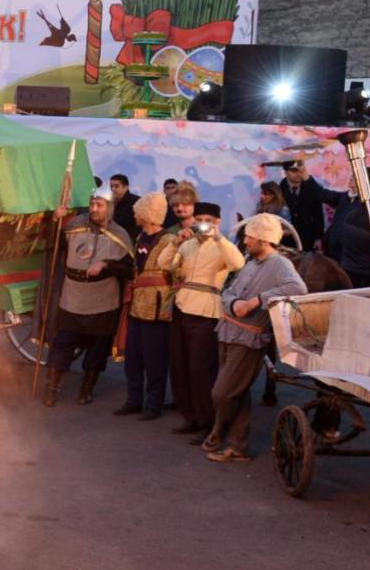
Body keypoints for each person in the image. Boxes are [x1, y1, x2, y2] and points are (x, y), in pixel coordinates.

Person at [203, 213, 307, 462]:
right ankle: (238, 447)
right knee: (238, 391)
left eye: (250, 236)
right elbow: (228, 292)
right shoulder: (250, 262)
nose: (246, 240)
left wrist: (258, 300)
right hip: (228, 331)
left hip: (248, 338)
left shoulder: (280, 264)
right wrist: (236, 302)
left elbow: (298, 289)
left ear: (263, 239)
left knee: (222, 393)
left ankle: (218, 430)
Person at [39, 187, 135, 408]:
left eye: (99, 205)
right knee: (61, 344)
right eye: (92, 203)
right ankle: (52, 388)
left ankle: (86, 389)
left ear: (109, 208)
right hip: (72, 296)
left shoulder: (120, 235)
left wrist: (106, 264)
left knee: (97, 348)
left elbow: (129, 269)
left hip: (102, 300)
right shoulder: (74, 226)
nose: (94, 209)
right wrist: (55, 221)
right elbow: (53, 247)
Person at [171, 200, 243, 440]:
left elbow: (237, 264)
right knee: (181, 367)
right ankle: (190, 417)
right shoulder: (189, 244)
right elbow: (165, 265)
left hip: (207, 311)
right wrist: (175, 243)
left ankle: (209, 423)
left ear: (217, 222)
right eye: (199, 219)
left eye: (208, 221)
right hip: (182, 306)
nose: (203, 224)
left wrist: (218, 237)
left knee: (201, 369)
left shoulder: (223, 245)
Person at [117, 192, 176, 421]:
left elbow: (173, 271)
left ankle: (153, 404)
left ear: (147, 214)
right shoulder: (140, 237)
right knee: (134, 356)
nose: (134, 213)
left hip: (157, 307)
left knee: (155, 359)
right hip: (136, 303)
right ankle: (133, 400)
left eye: (137, 210)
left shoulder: (168, 240)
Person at [276, 160, 332, 251]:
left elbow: (318, 215)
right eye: (294, 171)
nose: (298, 174)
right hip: (286, 242)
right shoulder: (278, 190)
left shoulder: (312, 189)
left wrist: (318, 238)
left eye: (300, 171)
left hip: (308, 240)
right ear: (286, 172)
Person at [108, 174, 139, 239]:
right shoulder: (110, 202)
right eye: (111, 186)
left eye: (116, 186)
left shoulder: (136, 202)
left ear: (126, 187)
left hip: (129, 241)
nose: (113, 189)